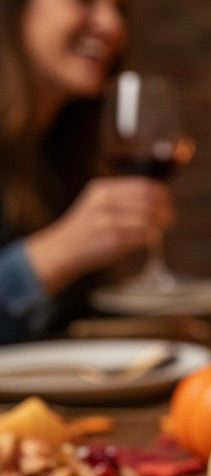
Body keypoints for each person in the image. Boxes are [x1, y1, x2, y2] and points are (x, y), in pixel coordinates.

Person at [0, 0, 172, 344]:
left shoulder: (68, 141)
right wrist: (60, 251)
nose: (112, 26)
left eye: (119, 8)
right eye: (84, 1)